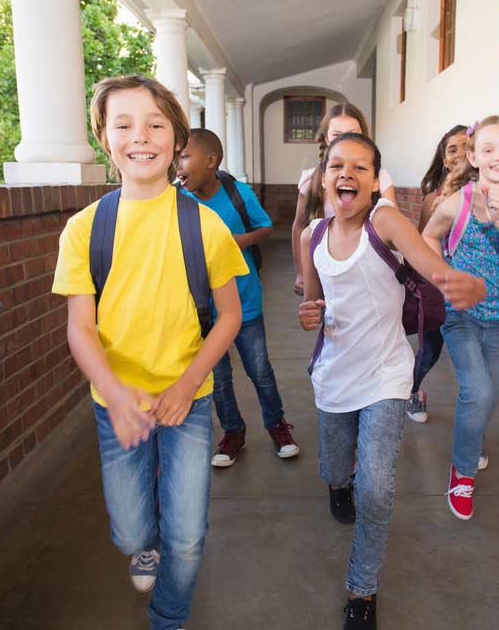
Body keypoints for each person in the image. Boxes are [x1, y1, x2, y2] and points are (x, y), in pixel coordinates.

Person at [52, 75, 247, 630]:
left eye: (156, 124)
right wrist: (114, 395)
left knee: (185, 535)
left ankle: (168, 615)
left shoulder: (205, 225)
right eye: (124, 124)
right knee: (134, 528)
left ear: (177, 139)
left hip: (187, 399)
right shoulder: (85, 229)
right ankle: (143, 547)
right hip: (117, 404)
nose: (141, 136)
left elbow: (229, 315)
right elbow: (80, 330)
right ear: (104, 138)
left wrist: (187, 385)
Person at [298, 132, 485, 629]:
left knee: (376, 491)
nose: (347, 174)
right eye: (337, 165)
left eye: (361, 167)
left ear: (375, 181)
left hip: (386, 375)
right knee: (339, 467)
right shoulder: (311, 236)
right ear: (323, 178)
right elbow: (312, 299)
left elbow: (432, 269)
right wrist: (309, 314)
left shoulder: (384, 221)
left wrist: (464, 282)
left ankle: (362, 592)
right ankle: (338, 482)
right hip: (335, 375)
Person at [422, 115, 499, 520]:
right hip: (460, 316)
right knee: (477, 391)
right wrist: (444, 279)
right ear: (473, 157)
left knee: (487, 396)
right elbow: (427, 235)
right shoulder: (457, 201)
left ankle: (472, 443)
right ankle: (462, 472)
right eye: (489, 149)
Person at [177, 128, 299, 466]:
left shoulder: (238, 193)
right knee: (219, 378)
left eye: (184, 156)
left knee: (259, 370)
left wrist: (237, 242)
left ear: (211, 161)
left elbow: (265, 228)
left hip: (244, 303)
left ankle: (277, 425)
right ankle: (233, 432)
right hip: (203, 310)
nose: (178, 164)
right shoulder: (178, 201)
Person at [291, 102, 396, 295]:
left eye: (353, 133)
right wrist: (301, 272)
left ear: (364, 136)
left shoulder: (379, 178)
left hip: (370, 276)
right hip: (326, 273)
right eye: (337, 135)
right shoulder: (310, 179)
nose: (346, 140)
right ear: (326, 137)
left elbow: (394, 227)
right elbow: (299, 226)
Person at [407, 124, 469, 423]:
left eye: (466, 146)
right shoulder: (435, 200)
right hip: (439, 289)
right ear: (444, 160)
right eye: (452, 149)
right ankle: (412, 391)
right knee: (429, 351)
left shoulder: (488, 197)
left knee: (471, 369)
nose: (459, 154)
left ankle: (473, 430)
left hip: (474, 293)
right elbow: (421, 245)